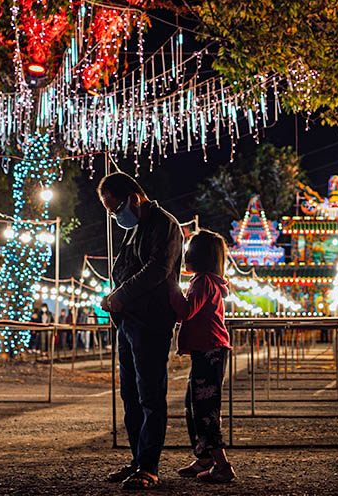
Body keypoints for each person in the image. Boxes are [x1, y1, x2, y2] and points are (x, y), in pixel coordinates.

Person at [98, 172, 183, 490]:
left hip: (152, 322)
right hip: (128, 322)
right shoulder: (134, 228)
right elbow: (126, 266)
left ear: (133, 198)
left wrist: (119, 295)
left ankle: (149, 466)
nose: (114, 215)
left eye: (114, 208)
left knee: (150, 397)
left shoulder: (165, 224)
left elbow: (158, 269)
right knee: (130, 396)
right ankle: (137, 460)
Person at [167, 230, 235, 483]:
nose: (184, 255)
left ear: (198, 255)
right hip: (209, 350)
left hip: (210, 351)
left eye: (188, 251)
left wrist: (171, 286)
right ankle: (204, 459)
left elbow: (185, 311)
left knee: (205, 409)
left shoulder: (202, 281)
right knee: (193, 405)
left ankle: (222, 465)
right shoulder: (209, 281)